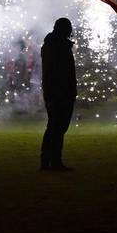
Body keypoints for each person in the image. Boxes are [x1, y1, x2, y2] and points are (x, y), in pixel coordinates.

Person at [40, 17, 77, 172]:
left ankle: (48, 161)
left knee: (55, 127)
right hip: (60, 93)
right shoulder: (58, 46)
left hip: (56, 92)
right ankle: (53, 161)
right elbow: (58, 72)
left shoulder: (52, 44)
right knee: (57, 127)